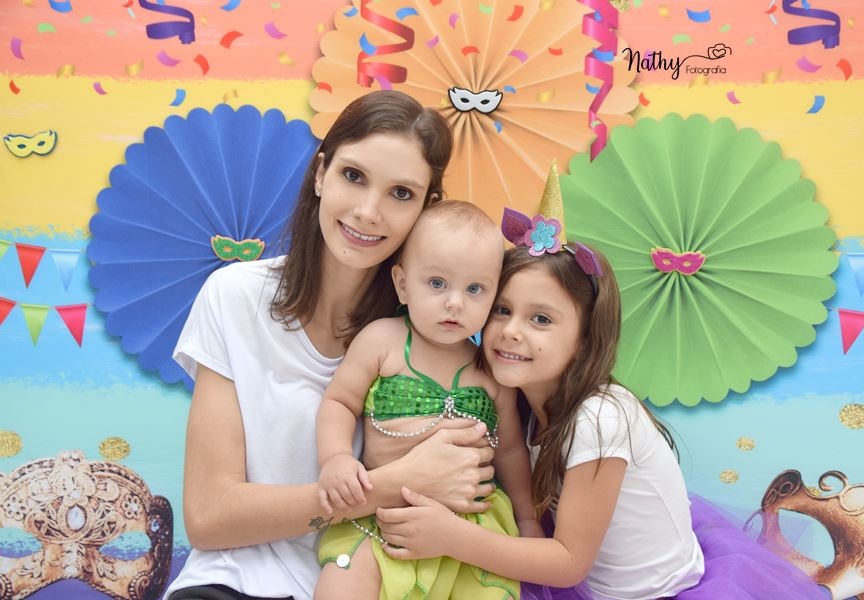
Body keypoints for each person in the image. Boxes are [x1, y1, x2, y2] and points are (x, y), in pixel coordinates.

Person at [374, 170, 830, 600]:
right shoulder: (514, 401)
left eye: (541, 319)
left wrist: (451, 537)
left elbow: (569, 563)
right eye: (502, 310)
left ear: (585, 337)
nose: (511, 331)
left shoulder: (600, 417)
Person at [164, 90, 500, 600]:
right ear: (321, 173)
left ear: (426, 209)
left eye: (401, 193)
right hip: (230, 583)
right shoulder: (234, 298)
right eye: (353, 176)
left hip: (373, 582)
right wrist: (392, 484)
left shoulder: (438, 336)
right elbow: (209, 518)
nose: (368, 212)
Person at [314, 200, 542, 600]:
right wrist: (336, 458)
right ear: (403, 285)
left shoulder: (490, 370)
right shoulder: (382, 341)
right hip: (383, 517)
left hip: (471, 527)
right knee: (342, 584)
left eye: (475, 289)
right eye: (437, 283)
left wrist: (527, 518)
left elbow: (509, 450)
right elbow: (340, 403)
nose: (455, 302)